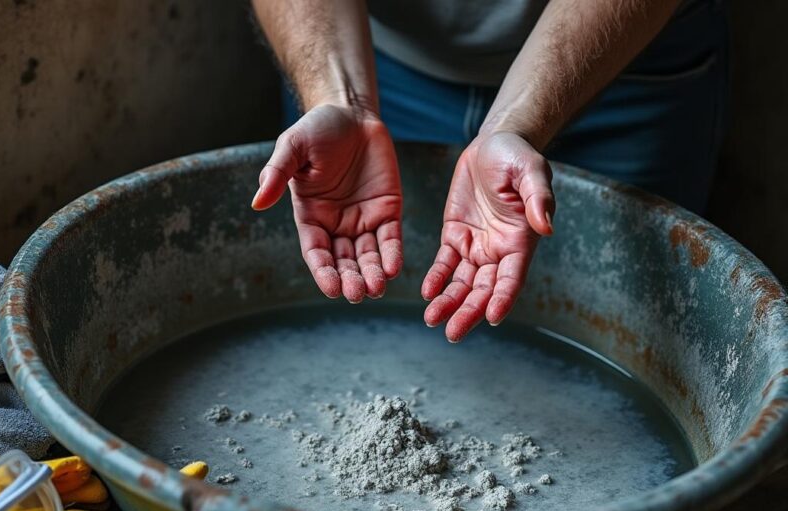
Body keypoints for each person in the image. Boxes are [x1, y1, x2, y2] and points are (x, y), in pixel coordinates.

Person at [249, 0, 727, 342]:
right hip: (365, 55)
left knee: (644, 336)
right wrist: (342, 99)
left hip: (618, 62)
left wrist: (515, 123)